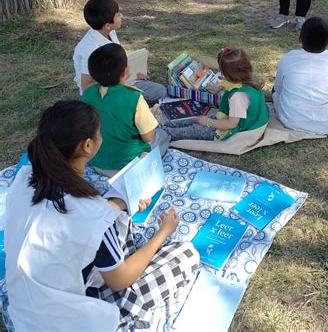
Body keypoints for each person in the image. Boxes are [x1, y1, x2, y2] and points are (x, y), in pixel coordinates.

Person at [5, 100, 199, 332]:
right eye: (99, 134)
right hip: (68, 321)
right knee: (186, 254)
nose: (101, 138)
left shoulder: (23, 178)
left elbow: (79, 217)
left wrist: (116, 205)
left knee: (120, 225)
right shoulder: (94, 214)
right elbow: (119, 281)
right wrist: (163, 233)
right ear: (87, 146)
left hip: (22, 312)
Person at [81, 43, 166, 174]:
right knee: (163, 135)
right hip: (130, 166)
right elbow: (148, 137)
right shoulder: (134, 97)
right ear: (125, 71)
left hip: (97, 162)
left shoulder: (87, 94)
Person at [73, 0, 167, 105]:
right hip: (105, 92)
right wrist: (121, 82)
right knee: (159, 93)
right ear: (107, 25)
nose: (121, 16)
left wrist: (134, 72)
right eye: (117, 14)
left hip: (120, 81)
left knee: (160, 91)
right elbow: (86, 87)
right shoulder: (89, 49)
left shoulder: (109, 32)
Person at [163, 48, 269, 142]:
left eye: (221, 70)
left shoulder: (238, 97)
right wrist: (218, 86)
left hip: (235, 129)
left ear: (229, 74)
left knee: (192, 130)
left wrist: (207, 121)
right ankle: (165, 125)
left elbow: (231, 124)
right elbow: (229, 83)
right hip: (245, 118)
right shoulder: (249, 78)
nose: (219, 72)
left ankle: (163, 132)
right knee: (195, 118)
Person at [272, 16, 328, 136]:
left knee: (276, 93)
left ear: (299, 39)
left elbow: (278, 88)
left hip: (291, 118)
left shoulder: (288, 58)